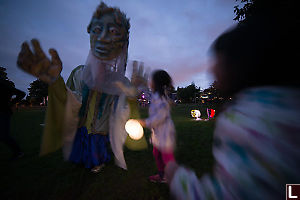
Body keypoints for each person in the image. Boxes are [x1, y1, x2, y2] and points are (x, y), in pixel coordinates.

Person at [165, 12, 300, 200]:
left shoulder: (243, 120)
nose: (211, 69)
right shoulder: (290, 104)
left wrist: (179, 179)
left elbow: (231, 194)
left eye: (217, 62)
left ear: (239, 66)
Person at [17, 2, 147, 173]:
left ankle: (97, 160)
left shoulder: (119, 81)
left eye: (114, 33)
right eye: (99, 30)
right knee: (80, 150)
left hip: (100, 129)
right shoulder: (79, 73)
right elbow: (70, 99)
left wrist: (133, 93)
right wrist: (55, 82)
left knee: (95, 152)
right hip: (81, 126)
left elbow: (126, 110)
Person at [138, 70, 176, 183]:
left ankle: (175, 180)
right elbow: (147, 93)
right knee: (157, 153)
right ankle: (162, 175)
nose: (150, 82)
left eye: (152, 80)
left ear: (157, 83)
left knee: (167, 157)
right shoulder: (156, 96)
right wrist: (140, 83)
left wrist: (144, 122)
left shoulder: (162, 100)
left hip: (165, 134)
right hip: (158, 134)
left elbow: (159, 118)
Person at [0, 79, 25, 159]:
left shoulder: (3, 85)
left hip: (3, 112)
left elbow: (21, 94)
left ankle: (19, 152)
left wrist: (11, 103)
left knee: (4, 135)